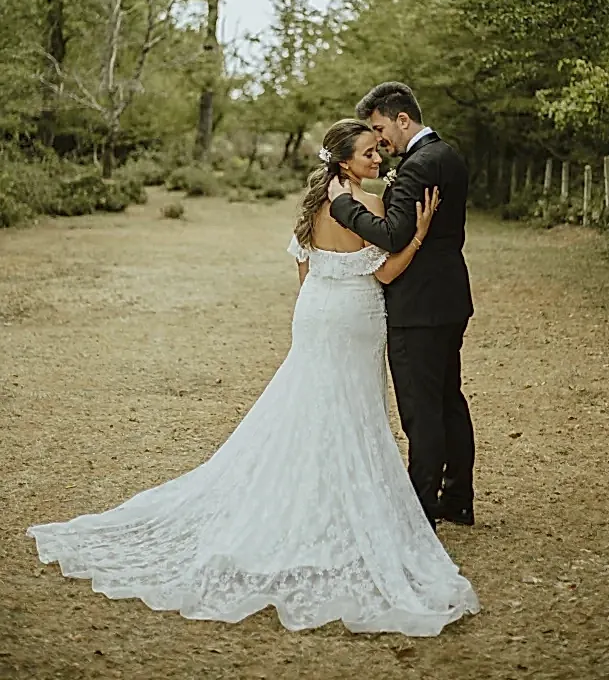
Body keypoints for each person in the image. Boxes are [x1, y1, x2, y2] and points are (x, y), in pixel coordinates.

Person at [27, 119, 479, 637]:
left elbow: (304, 267)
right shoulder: (368, 205)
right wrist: (417, 235)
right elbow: (383, 271)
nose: (378, 160)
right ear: (344, 160)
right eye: (368, 154)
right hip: (355, 316)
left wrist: (315, 307)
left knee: (308, 406)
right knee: (351, 411)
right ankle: (336, 505)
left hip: (316, 313)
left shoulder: (315, 202)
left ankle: (306, 497)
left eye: (378, 151)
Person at [328, 83, 476, 531]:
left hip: (418, 306)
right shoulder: (447, 156)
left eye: (379, 128)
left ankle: (421, 510)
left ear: (403, 119)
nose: (379, 140)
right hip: (449, 297)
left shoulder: (419, 166)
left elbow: (393, 235)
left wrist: (343, 206)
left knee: (421, 409)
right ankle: (458, 498)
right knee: (448, 399)